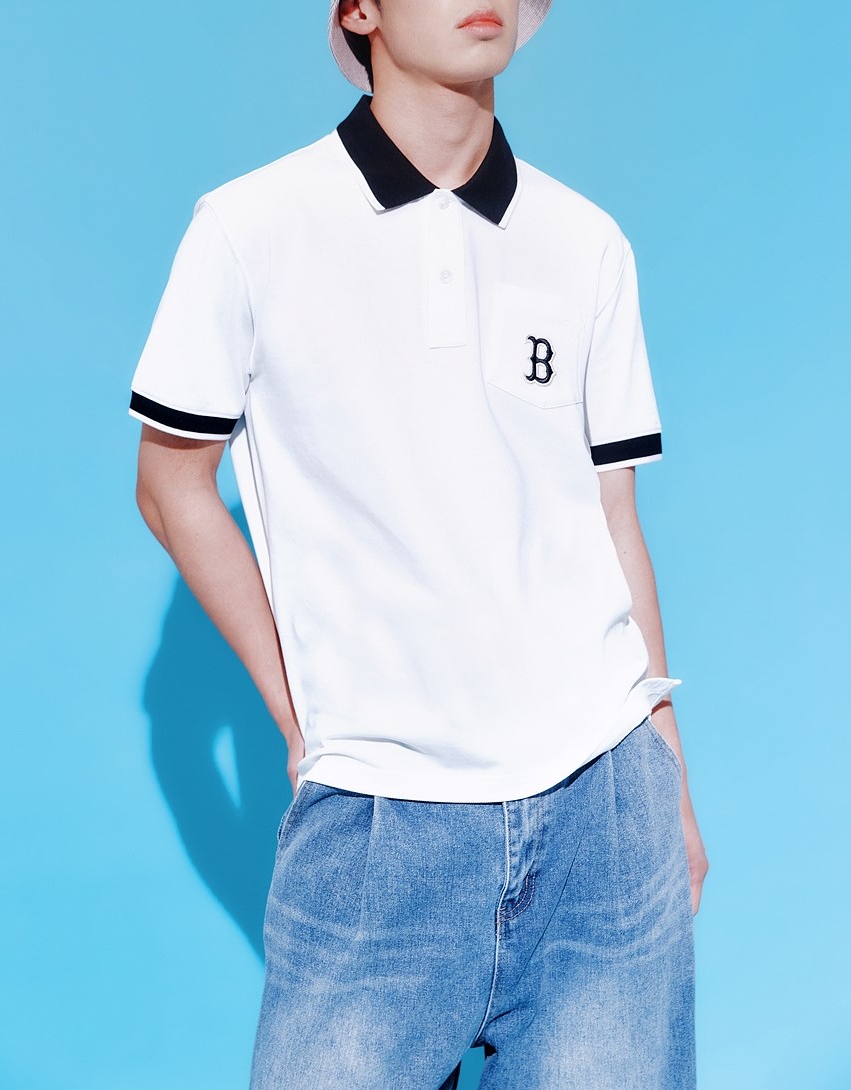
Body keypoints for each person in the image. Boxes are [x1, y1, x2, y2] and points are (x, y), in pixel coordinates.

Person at [129, 1, 709, 1086]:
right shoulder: (251, 227)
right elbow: (170, 485)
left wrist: (668, 770)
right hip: (378, 830)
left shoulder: (585, 242)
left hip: (603, 808)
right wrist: (300, 712)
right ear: (360, 9)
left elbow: (611, 514)